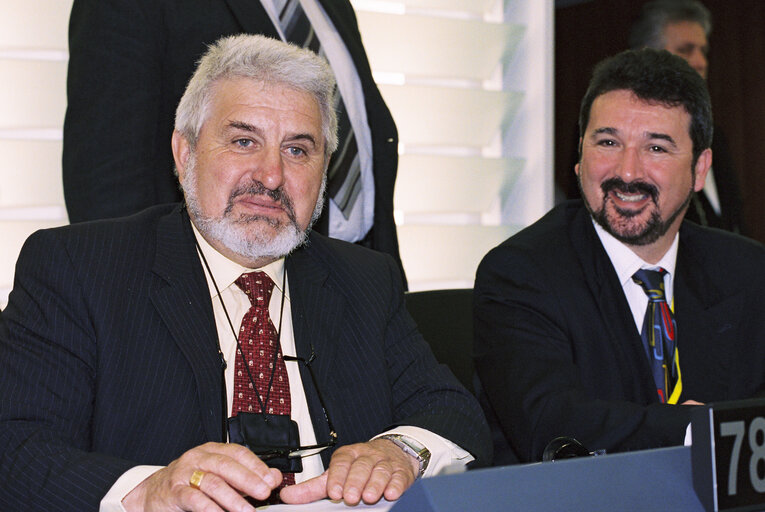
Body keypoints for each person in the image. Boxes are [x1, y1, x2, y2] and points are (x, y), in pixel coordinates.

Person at [0, 35, 490, 511]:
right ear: (184, 152)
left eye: (298, 150)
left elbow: (453, 412)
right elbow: (15, 448)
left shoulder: (363, 279)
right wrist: (145, 489)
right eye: (243, 141)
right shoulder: (79, 269)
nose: (271, 175)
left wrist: (398, 452)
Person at [474, 48, 765, 463]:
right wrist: (698, 430)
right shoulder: (521, 273)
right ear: (579, 157)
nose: (627, 172)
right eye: (608, 142)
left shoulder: (748, 271)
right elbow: (553, 426)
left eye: (657, 148)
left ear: (700, 169)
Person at [63, 0, 407, 286]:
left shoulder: (332, 7)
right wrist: (133, 299)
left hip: (354, 279)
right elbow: (106, 168)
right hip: (206, 294)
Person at [629, 0, 745, 234]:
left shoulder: (715, 137)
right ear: (647, 58)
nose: (701, 62)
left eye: (703, 51)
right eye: (685, 50)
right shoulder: (620, 133)